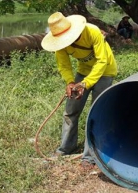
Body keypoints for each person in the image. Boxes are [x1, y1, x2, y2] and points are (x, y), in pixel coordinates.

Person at [41, 12, 118, 166]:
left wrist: (85, 84)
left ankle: (90, 155)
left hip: (106, 71)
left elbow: (102, 61)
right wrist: (70, 82)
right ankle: (66, 147)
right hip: (83, 71)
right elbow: (64, 64)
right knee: (70, 110)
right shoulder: (60, 43)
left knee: (95, 112)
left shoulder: (92, 32)